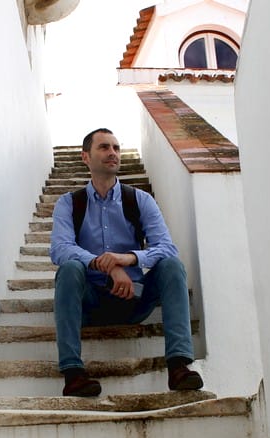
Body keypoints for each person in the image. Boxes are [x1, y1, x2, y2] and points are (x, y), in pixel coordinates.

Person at [49, 128, 204, 397]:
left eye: (116, 148)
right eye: (104, 147)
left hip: (134, 297)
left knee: (172, 266)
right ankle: (73, 374)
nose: (113, 153)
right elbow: (60, 249)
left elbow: (166, 247)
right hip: (90, 303)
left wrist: (128, 258)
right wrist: (106, 264)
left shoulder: (140, 200)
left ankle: (179, 366)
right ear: (86, 157)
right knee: (70, 268)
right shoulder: (69, 204)